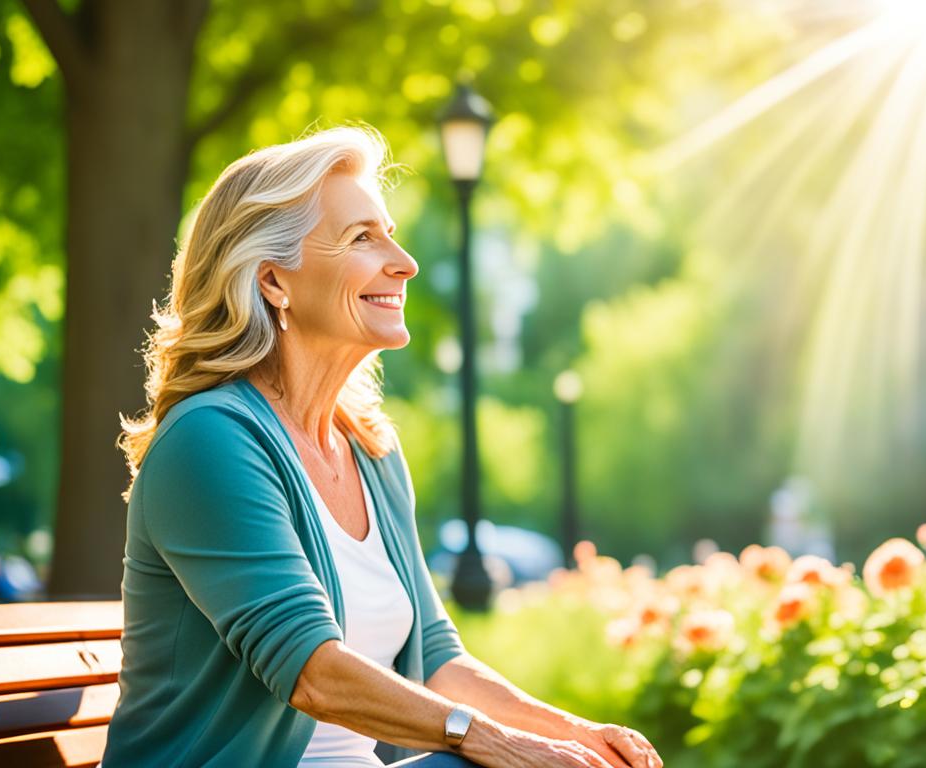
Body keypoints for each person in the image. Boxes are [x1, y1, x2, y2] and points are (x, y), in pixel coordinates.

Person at [101, 126, 663, 768]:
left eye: (389, 231)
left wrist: (576, 736)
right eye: (363, 237)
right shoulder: (212, 438)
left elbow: (437, 656)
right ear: (273, 281)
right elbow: (311, 669)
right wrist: (498, 744)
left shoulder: (369, 448)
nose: (404, 261)